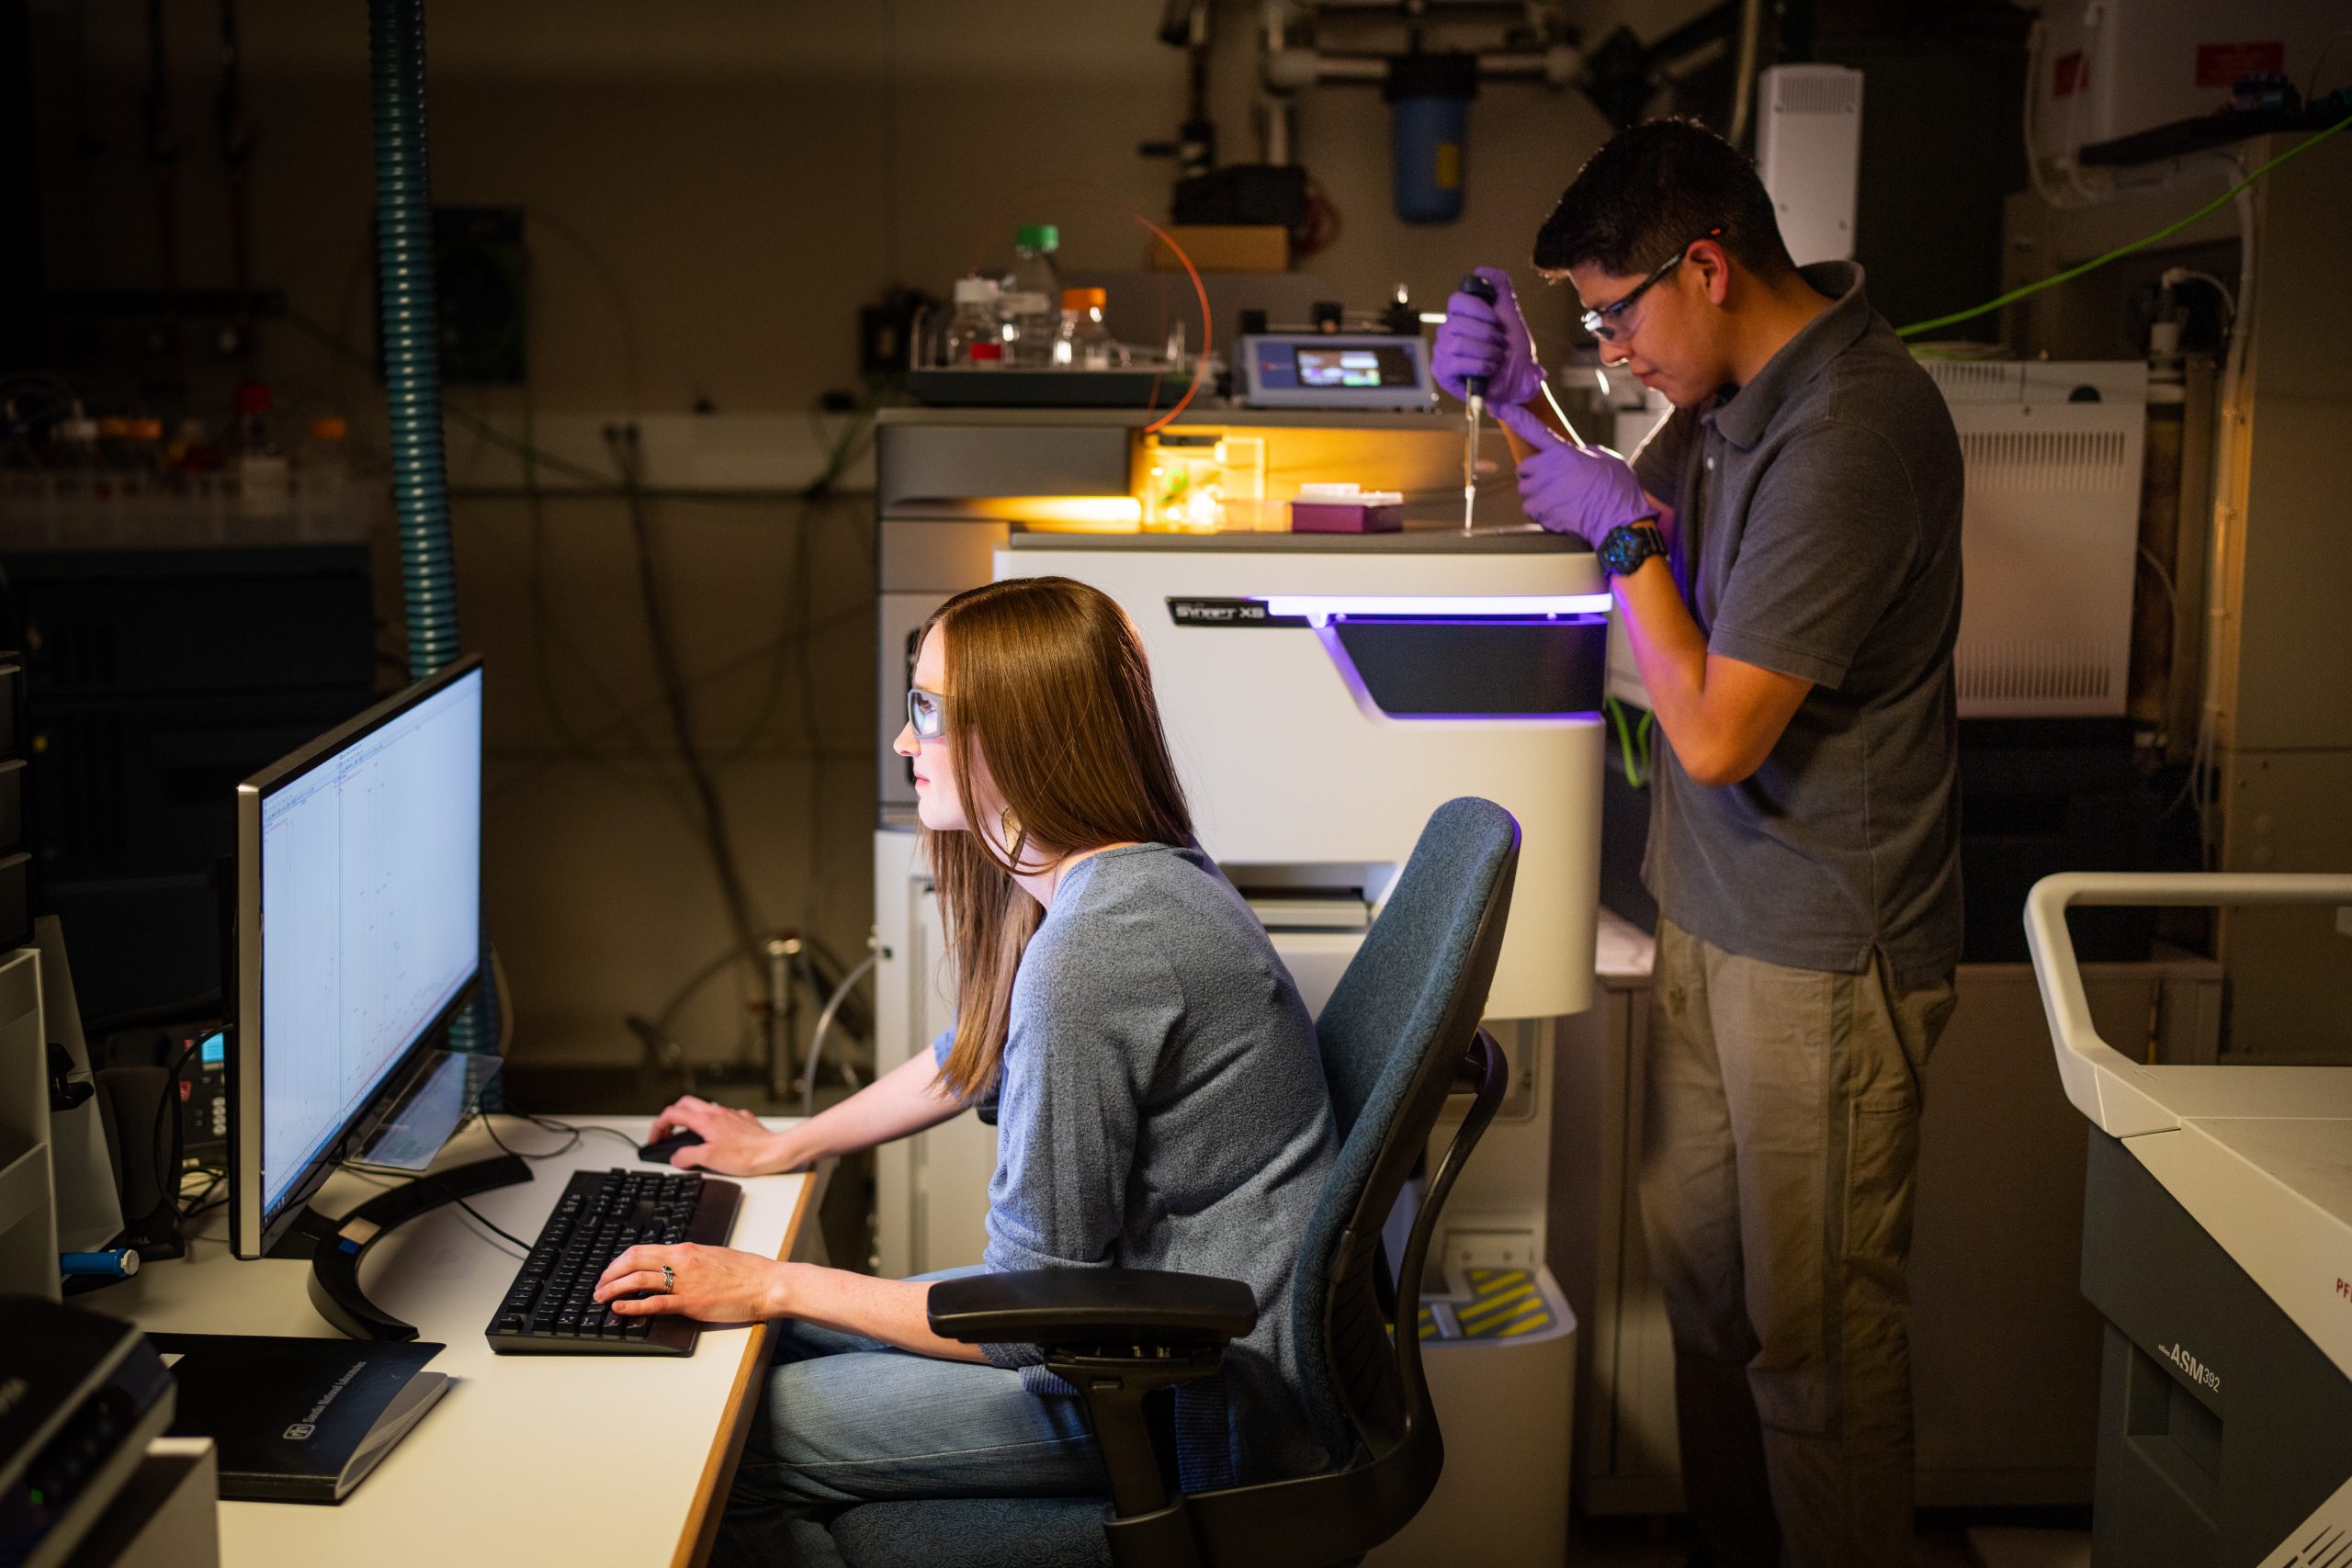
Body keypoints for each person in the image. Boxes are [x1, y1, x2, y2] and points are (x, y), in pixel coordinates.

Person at [1435, 118, 1963, 1567]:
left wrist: (1621, 534)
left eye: (1615, 317)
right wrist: (1522, 399)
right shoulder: (1732, 397)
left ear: (1710, 265)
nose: (1616, 353)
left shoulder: (1853, 427)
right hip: (1710, 916)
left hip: (1824, 956)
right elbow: (1633, 520)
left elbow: (1718, 724)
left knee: (1818, 1353)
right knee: (1714, 1310)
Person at [591, 574, 1340, 1567]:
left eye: (928, 714)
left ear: (1022, 733)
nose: (905, 744)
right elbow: (972, 1055)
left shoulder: (1099, 951)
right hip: (1160, 1327)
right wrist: (791, 1143)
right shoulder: (1141, 872)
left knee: (737, 1440)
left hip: (1191, 1390)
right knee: (778, 1341)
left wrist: (773, 1282)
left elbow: (1029, 1311)